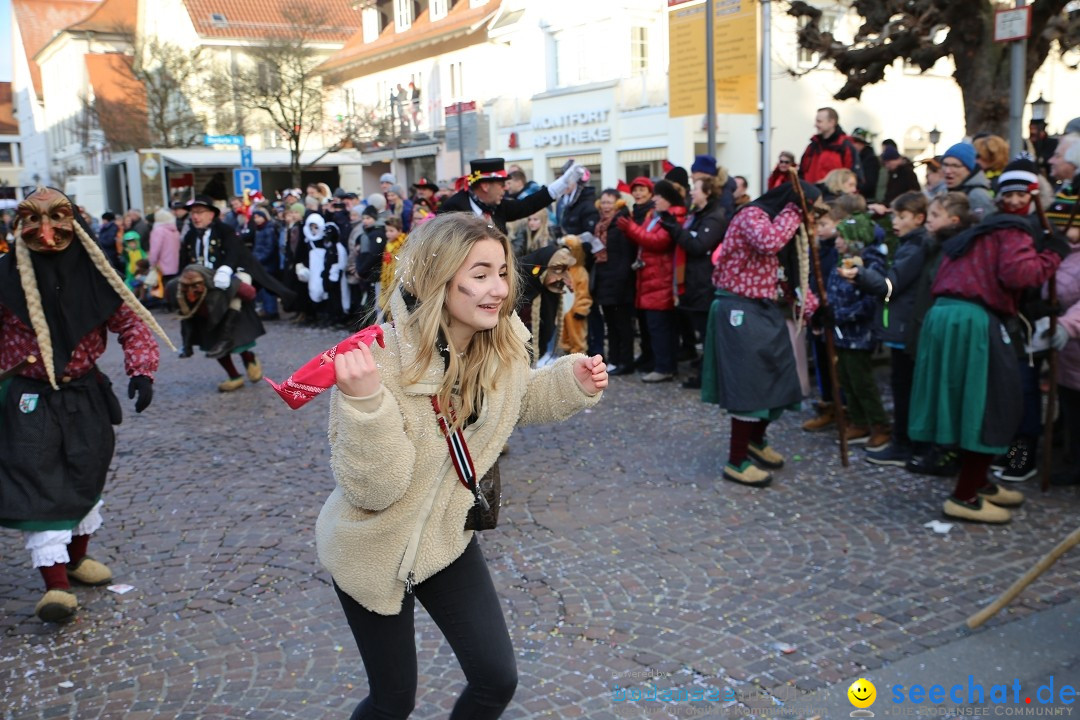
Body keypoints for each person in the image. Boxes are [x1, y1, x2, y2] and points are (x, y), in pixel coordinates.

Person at [317, 213, 606, 720]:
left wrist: (570, 382)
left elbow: (518, 400)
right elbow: (375, 489)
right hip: (372, 547)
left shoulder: (505, 339)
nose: (498, 289)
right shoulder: (377, 359)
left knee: (497, 680)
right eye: (479, 274)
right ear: (437, 277)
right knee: (392, 702)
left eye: (501, 272)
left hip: (445, 537)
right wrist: (365, 406)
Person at [0, 187, 171, 623]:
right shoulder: (4, 279)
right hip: (29, 397)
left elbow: (132, 324)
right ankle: (55, 585)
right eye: (34, 223)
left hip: (85, 394)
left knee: (87, 470)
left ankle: (75, 560)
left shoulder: (98, 274)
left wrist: (142, 371)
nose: (48, 235)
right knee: (39, 481)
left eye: (57, 222)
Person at [907, 181, 1068, 522]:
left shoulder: (980, 233)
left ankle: (978, 482)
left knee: (975, 402)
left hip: (949, 318)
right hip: (971, 322)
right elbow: (1019, 273)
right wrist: (1053, 253)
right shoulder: (1014, 230)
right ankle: (965, 495)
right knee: (990, 404)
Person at [702, 181, 820, 487]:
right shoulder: (752, 215)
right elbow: (767, 243)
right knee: (750, 385)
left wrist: (814, 306)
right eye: (811, 209)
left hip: (765, 307)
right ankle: (736, 460)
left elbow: (790, 274)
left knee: (779, 377)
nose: (812, 218)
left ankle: (757, 439)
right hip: (738, 307)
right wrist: (795, 213)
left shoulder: (787, 226)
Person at [841, 191, 932, 466]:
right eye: (894, 215)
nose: (896, 221)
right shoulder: (908, 243)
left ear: (918, 219)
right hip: (902, 326)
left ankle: (904, 444)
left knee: (904, 387)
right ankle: (904, 442)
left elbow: (890, 286)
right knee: (901, 385)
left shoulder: (917, 247)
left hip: (906, 328)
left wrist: (861, 275)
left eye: (902, 217)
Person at [820, 199, 890, 449]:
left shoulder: (868, 266)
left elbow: (870, 302)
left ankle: (879, 423)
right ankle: (858, 421)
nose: (836, 242)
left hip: (859, 333)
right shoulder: (841, 262)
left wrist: (844, 315)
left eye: (841, 238)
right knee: (846, 378)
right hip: (841, 332)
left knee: (862, 380)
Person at [616, 179, 687, 383]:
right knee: (654, 327)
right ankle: (659, 363)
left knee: (661, 327)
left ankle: (665, 367)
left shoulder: (674, 217)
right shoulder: (655, 216)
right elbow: (644, 238)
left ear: (667, 199)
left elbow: (658, 242)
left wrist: (630, 228)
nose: (654, 199)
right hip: (650, 278)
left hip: (661, 279)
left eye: (657, 196)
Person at [673, 175, 727, 389]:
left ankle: (708, 377)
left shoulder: (714, 217)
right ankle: (706, 373)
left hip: (704, 282)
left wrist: (677, 232)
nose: (691, 192)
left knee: (707, 333)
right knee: (703, 332)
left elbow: (698, 245)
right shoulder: (697, 215)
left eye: (695, 188)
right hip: (695, 281)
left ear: (707, 192)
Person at [438, 157, 581, 236]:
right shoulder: (452, 208)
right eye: (501, 184)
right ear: (485, 186)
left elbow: (529, 204)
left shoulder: (498, 206)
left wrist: (562, 183)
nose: (506, 188)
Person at [591, 189, 636, 375]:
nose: (606, 205)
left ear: (618, 203)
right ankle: (614, 359)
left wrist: (620, 281)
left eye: (609, 202)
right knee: (611, 323)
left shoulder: (621, 224)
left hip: (619, 282)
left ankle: (625, 361)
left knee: (623, 325)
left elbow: (626, 256)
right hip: (605, 279)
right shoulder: (601, 224)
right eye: (603, 202)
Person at [798, 107, 862, 184]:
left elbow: (854, 178)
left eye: (819, 121)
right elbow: (801, 173)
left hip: (835, 195)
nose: (815, 125)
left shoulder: (845, 147)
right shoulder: (812, 147)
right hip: (811, 195)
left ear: (831, 122)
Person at [941, 142, 995, 220]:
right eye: (945, 165)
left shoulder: (977, 195)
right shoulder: (945, 191)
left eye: (955, 166)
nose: (948, 171)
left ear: (969, 169)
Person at [558, 235, 592, 354]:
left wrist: (582, 309)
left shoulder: (580, 272)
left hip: (575, 311)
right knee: (564, 335)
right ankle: (567, 357)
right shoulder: (562, 269)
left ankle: (579, 358)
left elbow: (584, 293)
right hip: (564, 309)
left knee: (577, 336)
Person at [250, 209, 281, 320]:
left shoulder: (269, 230)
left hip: (267, 264)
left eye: (259, 217)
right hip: (260, 263)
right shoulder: (259, 230)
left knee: (268, 288)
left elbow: (269, 248)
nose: (257, 219)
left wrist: (258, 259)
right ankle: (267, 309)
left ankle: (271, 311)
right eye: (255, 217)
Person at [148, 207, 181, 288]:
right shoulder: (175, 231)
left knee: (163, 291)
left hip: (162, 267)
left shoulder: (158, 231)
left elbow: (155, 250)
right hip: (175, 266)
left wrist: (152, 263)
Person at [850, 127, 881, 200]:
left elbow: (870, 183)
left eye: (856, 142)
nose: (853, 145)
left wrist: (855, 190)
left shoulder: (870, 159)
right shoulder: (855, 157)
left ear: (862, 144)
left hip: (865, 198)